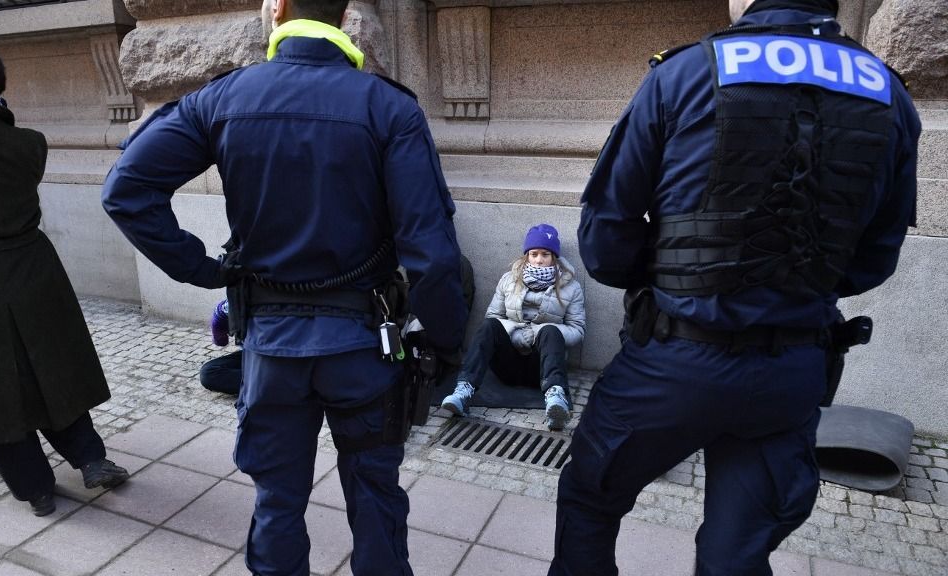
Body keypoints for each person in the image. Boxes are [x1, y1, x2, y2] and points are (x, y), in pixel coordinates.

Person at [551, 0, 921, 574]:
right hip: (791, 372)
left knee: (589, 503)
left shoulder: (684, 73)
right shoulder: (890, 95)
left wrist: (678, 277)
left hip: (673, 362)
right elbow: (873, 260)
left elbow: (604, 242)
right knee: (736, 557)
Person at [101, 0, 468, 574]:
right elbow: (433, 252)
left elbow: (126, 191)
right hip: (365, 348)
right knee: (376, 498)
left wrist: (207, 270)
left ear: (277, 8)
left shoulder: (223, 97)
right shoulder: (388, 107)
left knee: (276, 502)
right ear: (345, 15)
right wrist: (447, 343)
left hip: (271, 349)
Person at [0, 31, 129, 518]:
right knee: (54, 368)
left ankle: (36, 489)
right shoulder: (29, 144)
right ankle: (91, 457)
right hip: (34, 270)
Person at [441, 224, 585, 431]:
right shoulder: (509, 279)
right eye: (534, 253)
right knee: (489, 326)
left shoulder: (571, 287)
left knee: (551, 330)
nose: (539, 259)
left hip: (543, 366)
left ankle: (555, 400)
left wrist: (536, 332)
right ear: (527, 255)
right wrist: (516, 332)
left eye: (545, 254)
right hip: (507, 364)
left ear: (554, 256)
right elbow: (493, 316)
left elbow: (578, 330)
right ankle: (463, 391)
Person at [200, 299, 242, 395]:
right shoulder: (236, 302)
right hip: (254, 355)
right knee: (209, 373)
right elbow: (220, 313)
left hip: (278, 356)